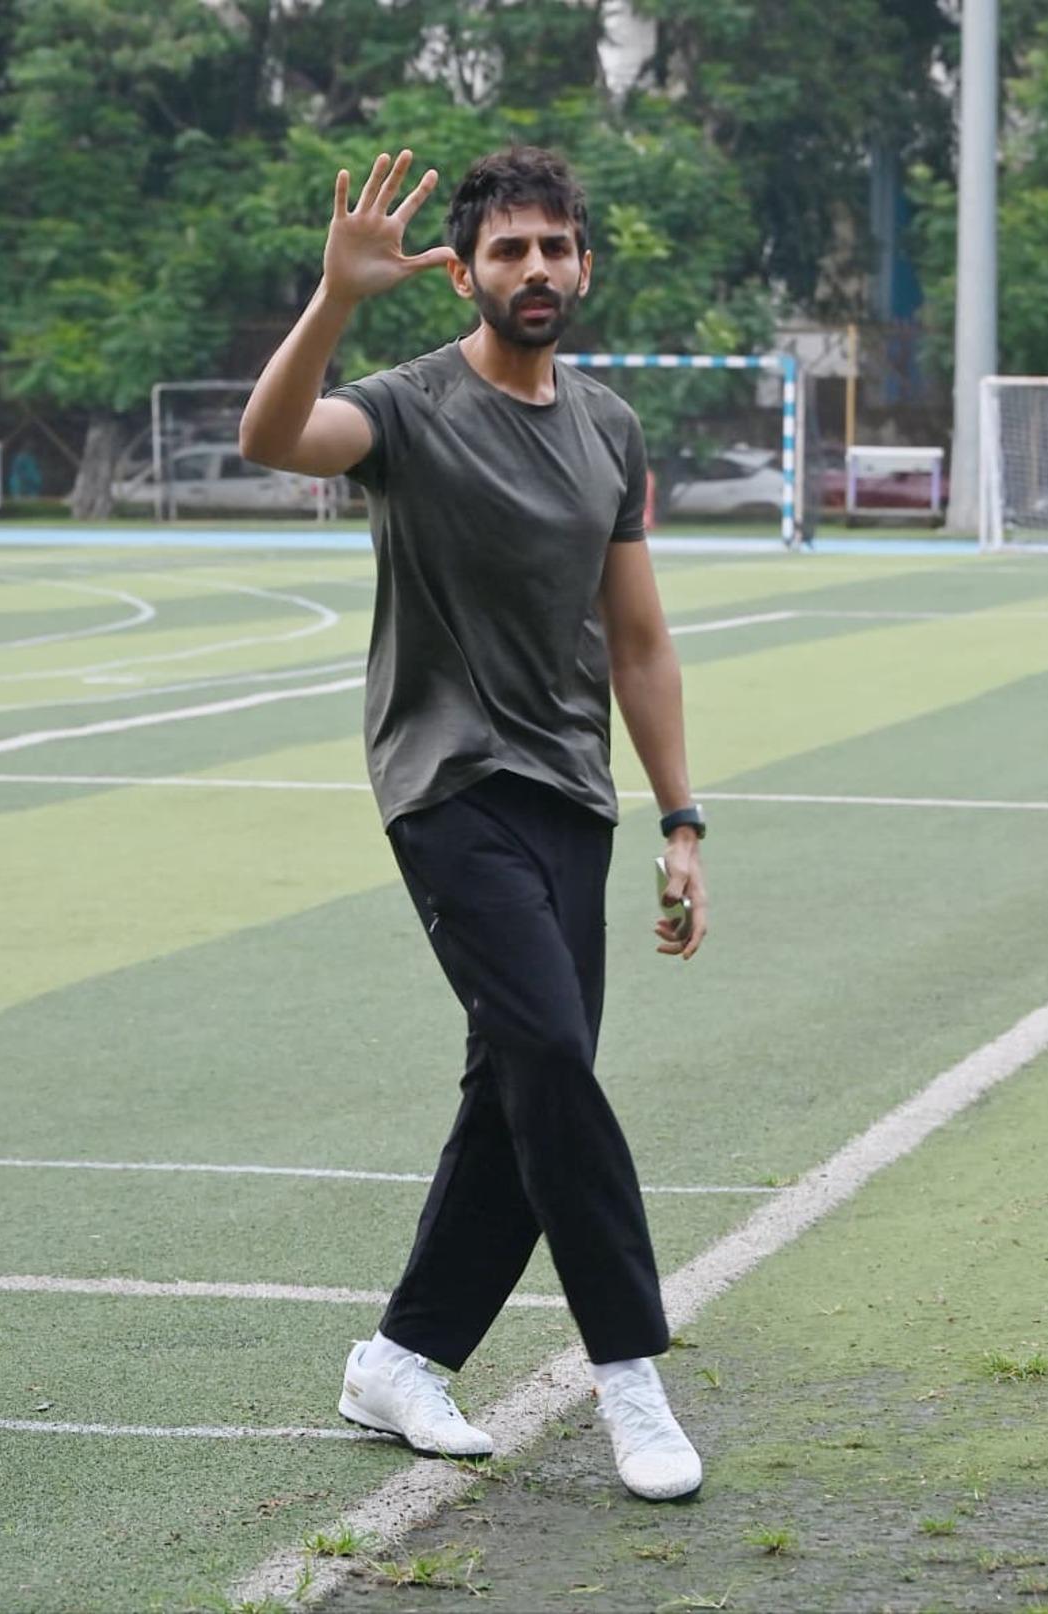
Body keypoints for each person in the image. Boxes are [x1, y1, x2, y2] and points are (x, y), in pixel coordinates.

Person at [239, 145, 708, 1501]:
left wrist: (683, 818)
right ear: (466, 267)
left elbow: (639, 637)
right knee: (551, 1052)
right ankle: (631, 1370)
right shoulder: (407, 407)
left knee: (518, 1086)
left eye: (556, 247)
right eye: (509, 250)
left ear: (584, 265)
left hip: (575, 793)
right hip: (446, 786)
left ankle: (400, 1354)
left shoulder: (612, 429)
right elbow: (277, 440)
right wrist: (333, 300)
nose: (537, 269)